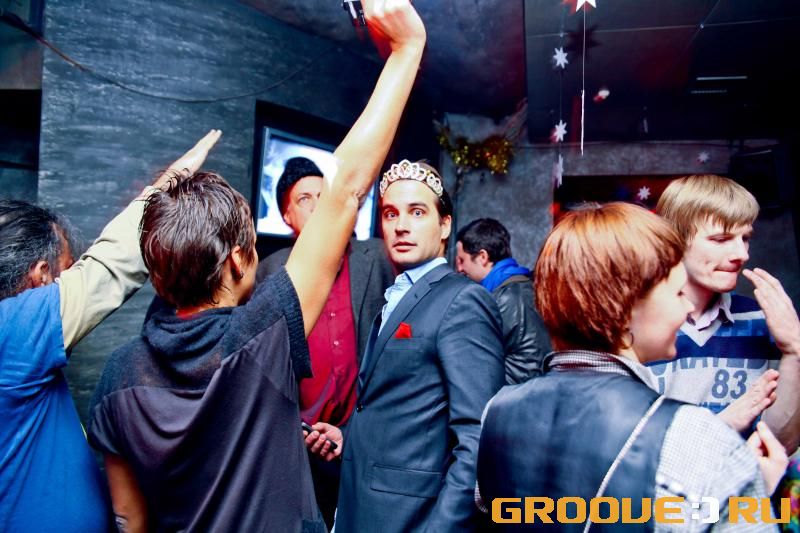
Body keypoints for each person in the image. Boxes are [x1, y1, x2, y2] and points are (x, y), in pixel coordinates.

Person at [87, 2, 427, 531]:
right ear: (238, 260)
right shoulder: (260, 336)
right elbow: (346, 188)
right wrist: (407, 49)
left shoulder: (117, 376)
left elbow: (129, 519)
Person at [477, 202, 788, 531]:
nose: (687, 308)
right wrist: (748, 496)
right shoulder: (691, 436)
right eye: (677, 292)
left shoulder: (497, 411)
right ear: (624, 308)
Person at [0, 130, 219, 531]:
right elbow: (112, 264)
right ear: (41, 276)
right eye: (68, 271)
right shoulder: (13, 329)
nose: (70, 280)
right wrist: (172, 180)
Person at [307, 160, 505, 532]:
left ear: (444, 225)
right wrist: (348, 436)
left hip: (411, 519)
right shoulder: (397, 295)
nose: (401, 225)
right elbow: (399, 405)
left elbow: (479, 438)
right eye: (391, 214)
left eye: (417, 212)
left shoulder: (462, 301)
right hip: (363, 508)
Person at [256, 156, 394, 528]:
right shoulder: (269, 272)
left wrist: (354, 433)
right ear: (286, 216)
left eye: (324, 195)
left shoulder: (378, 258)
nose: (319, 206)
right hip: (296, 446)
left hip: (362, 441)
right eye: (305, 199)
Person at [651, 174, 800, 452]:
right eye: (721, 239)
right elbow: (628, 450)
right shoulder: (636, 325)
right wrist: (722, 425)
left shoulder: (762, 320)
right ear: (674, 241)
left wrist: (794, 350)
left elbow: (780, 445)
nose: (741, 254)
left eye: (745, 238)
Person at [455, 217, 551, 383]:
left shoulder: (503, 298)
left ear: (482, 257)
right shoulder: (525, 285)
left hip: (514, 392)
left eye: (462, 260)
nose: (459, 268)